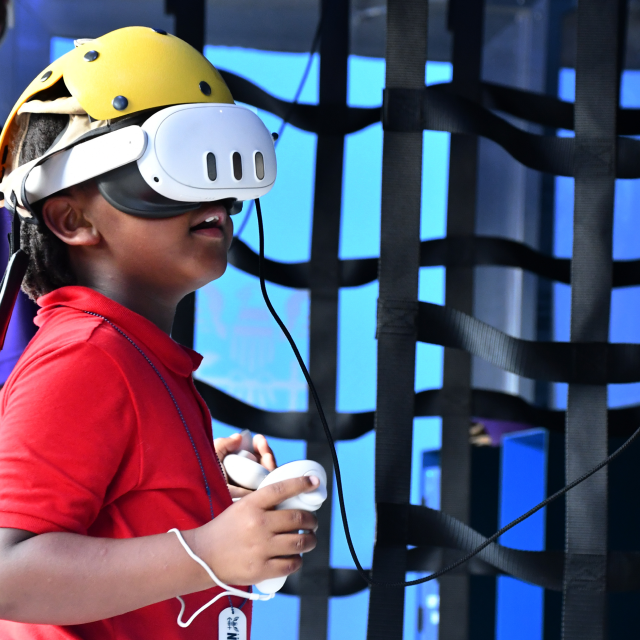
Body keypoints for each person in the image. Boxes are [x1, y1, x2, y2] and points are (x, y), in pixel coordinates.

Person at [0, 27, 318, 639]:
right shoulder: (87, 358)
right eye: (179, 168)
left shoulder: (138, 360)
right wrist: (205, 550)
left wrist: (191, 489)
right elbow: (8, 573)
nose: (219, 200)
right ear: (72, 219)